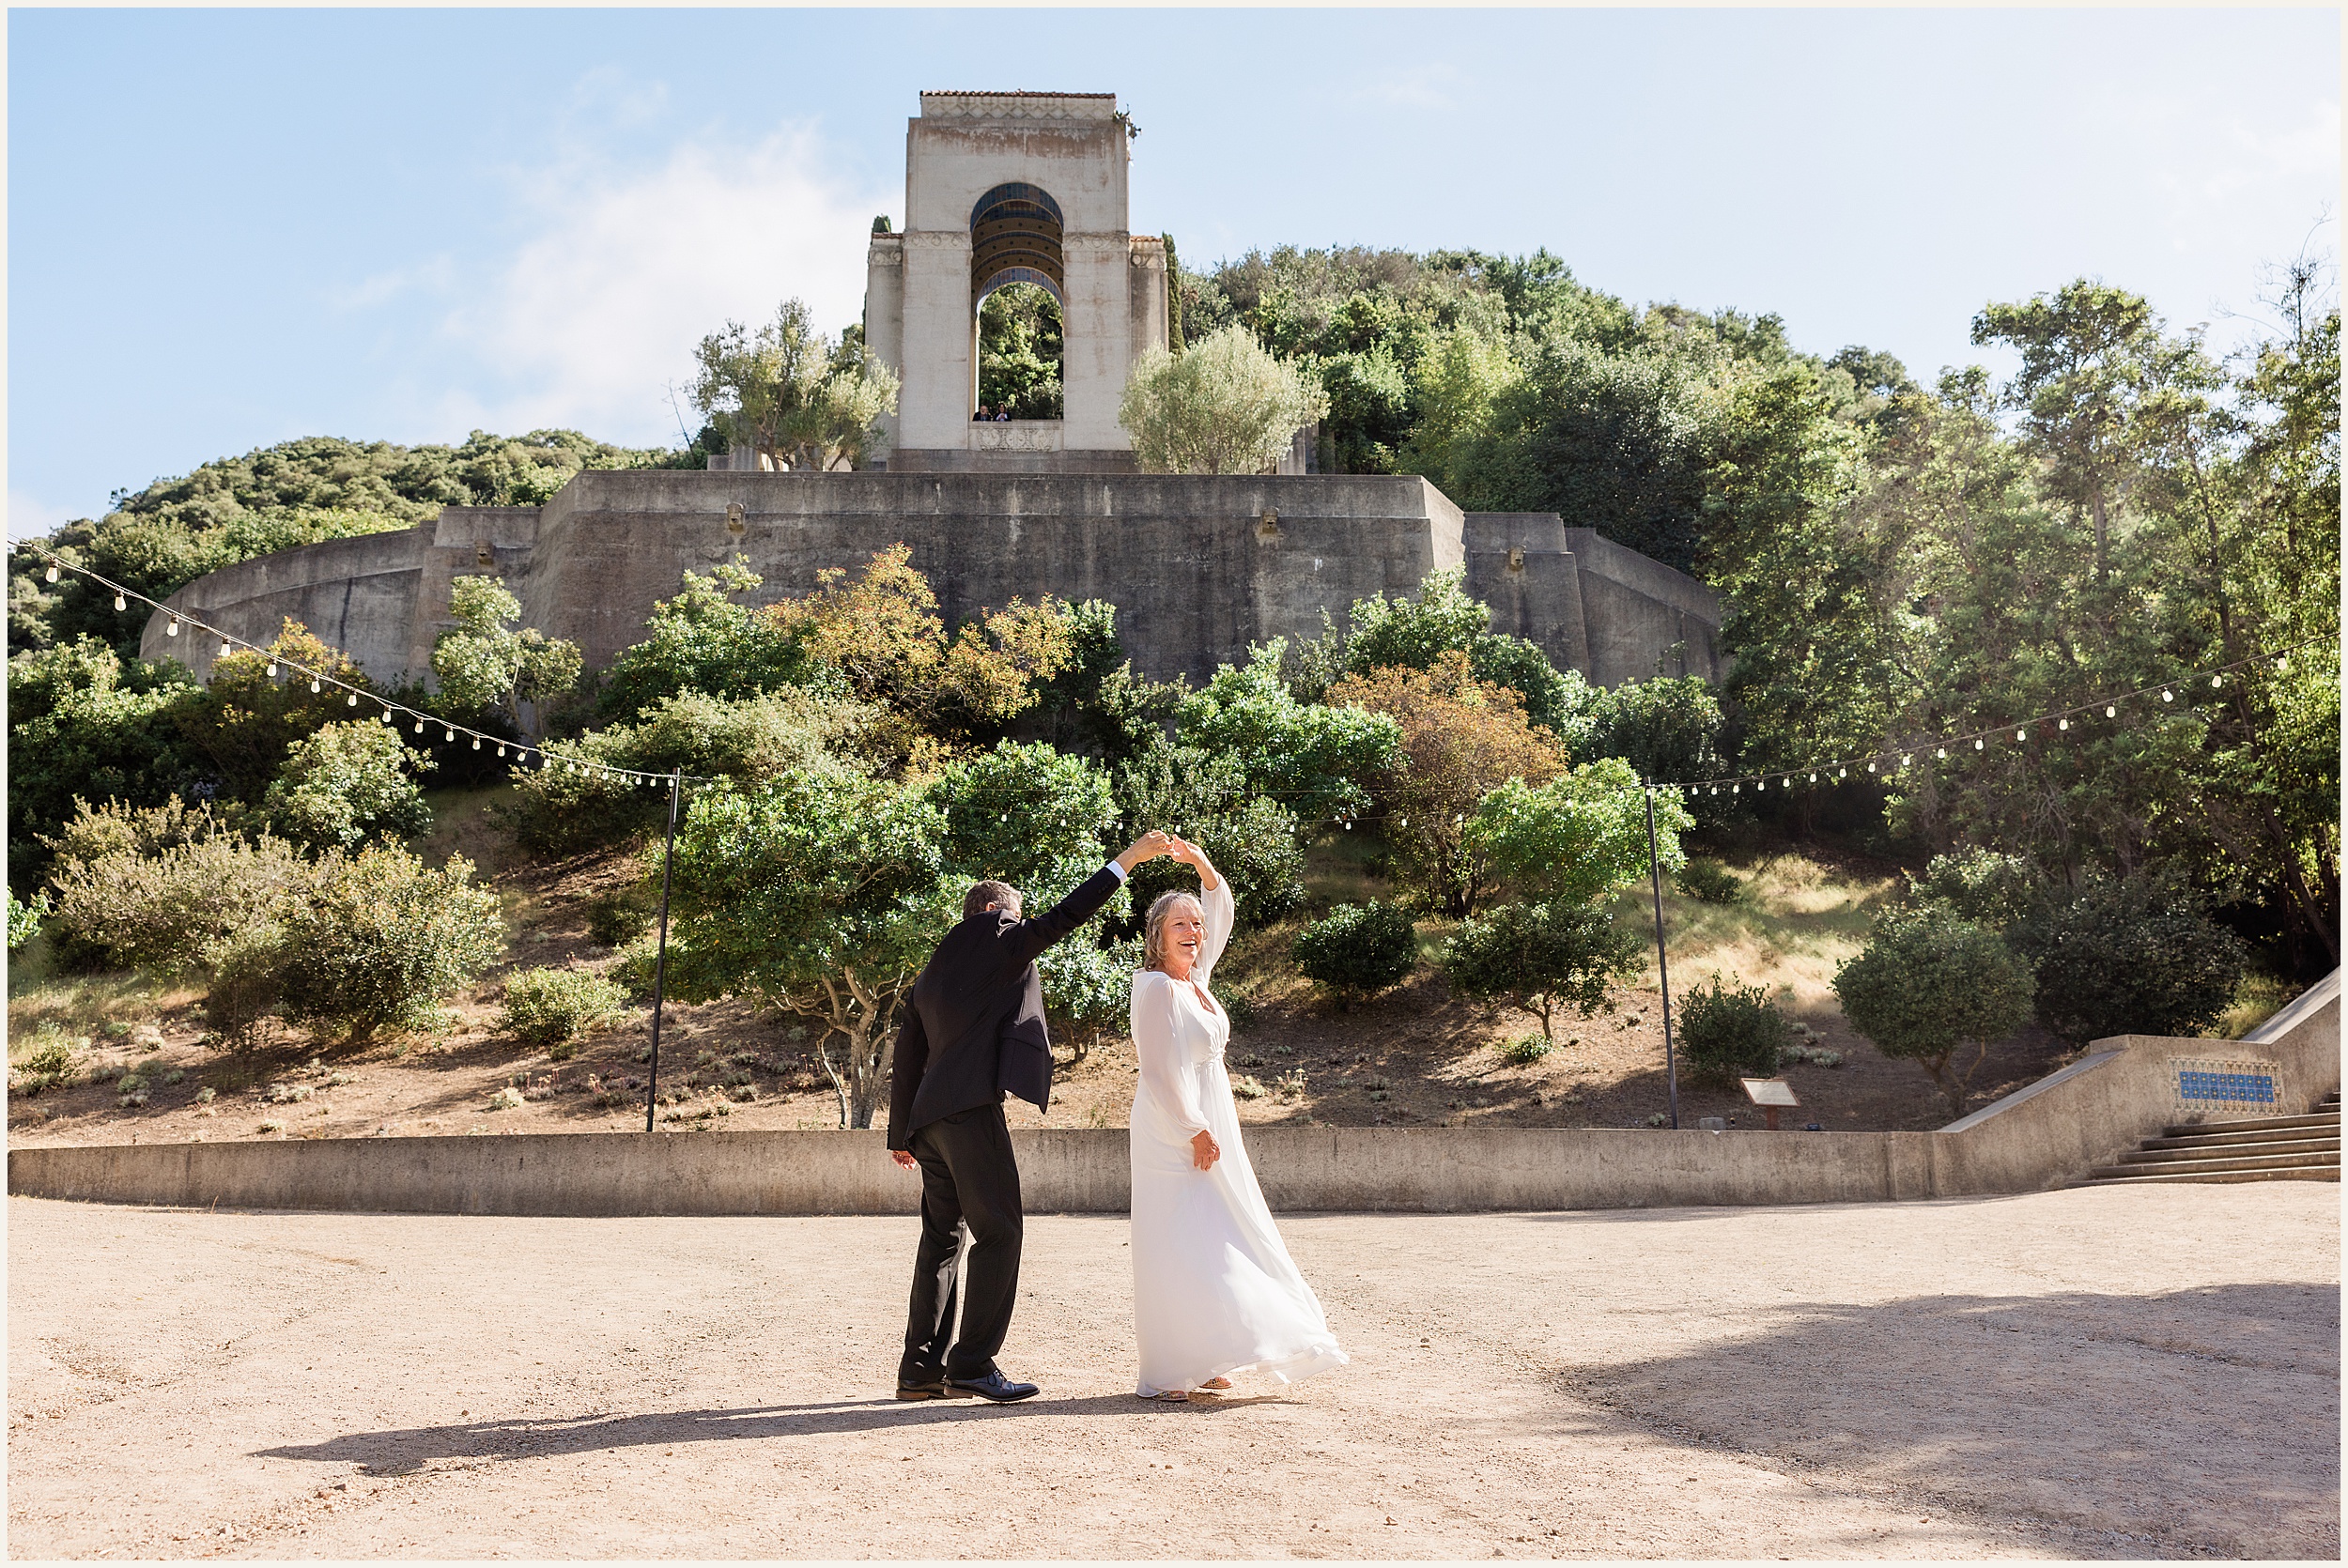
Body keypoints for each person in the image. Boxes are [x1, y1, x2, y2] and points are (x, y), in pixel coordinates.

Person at [887, 829, 1175, 1404]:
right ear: (995, 911)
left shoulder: (934, 968)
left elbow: (908, 1049)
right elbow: (1065, 917)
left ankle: (919, 1369)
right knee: (1001, 1231)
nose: (1024, 930)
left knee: (942, 1238)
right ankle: (971, 1363)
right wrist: (1128, 859)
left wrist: (902, 1134)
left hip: (930, 1124)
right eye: (1017, 917)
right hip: (969, 1113)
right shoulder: (999, 937)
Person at [1128, 837, 1349, 1401]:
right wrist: (1192, 1128)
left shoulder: (1196, 981)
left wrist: (1200, 863)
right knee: (1175, 1236)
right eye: (1180, 924)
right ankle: (1167, 1369)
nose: (1194, 932)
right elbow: (1157, 1070)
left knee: (1218, 1231)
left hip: (1212, 1116)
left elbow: (1221, 906)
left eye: (1197, 925)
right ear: (1157, 934)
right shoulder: (1155, 988)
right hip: (1173, 1126)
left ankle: (1205, 1356)